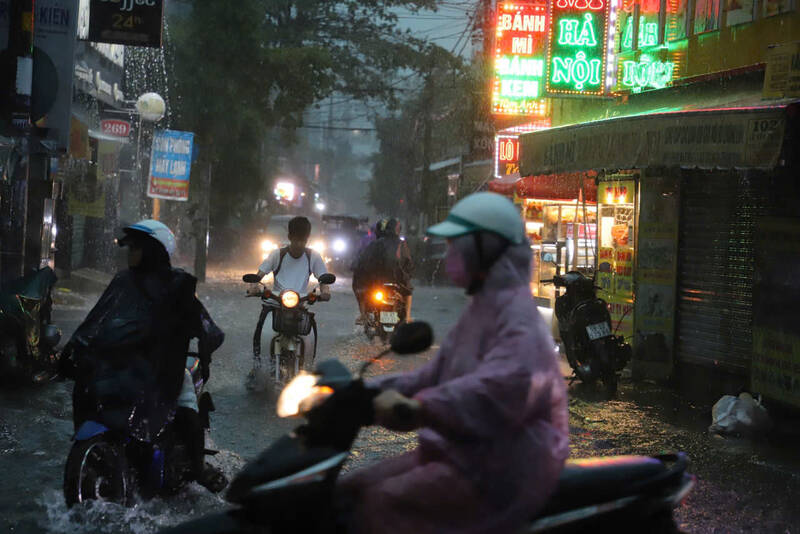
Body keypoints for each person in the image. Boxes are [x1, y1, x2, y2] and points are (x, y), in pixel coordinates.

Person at [337, 192, 569, 534]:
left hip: (501, 470)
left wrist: (418, 407)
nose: (448, 256)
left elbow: (500, 388)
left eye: (455, 247)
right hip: (462, 455)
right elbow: (433, 375)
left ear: (483, 250)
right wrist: (356, 393)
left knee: (378, 501)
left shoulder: (518, 317)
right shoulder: (481, 310)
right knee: (348, 491)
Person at [59, 220, 227, 493]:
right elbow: (97, 320)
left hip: (164, 370)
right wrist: (74, 352)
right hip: (123, 367)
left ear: (153, 250)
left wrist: (204, 350)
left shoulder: (178, 285)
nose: (131, 253)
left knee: (187, 410)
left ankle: (198, 469)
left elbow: (208, 329)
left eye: (137, 247)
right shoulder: (123, 281)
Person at [248, 216, 332, 380]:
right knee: (259, 332)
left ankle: (308, 367)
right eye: (297, 240)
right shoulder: (277, 255)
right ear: (289, 238)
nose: (300, 244)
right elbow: (259, 275)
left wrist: (324, 292)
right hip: (275, 304)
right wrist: (254, 287)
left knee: (312, 330)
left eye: (303, 240)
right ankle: (256, 368)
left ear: (307, 239)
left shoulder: (313, 256)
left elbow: (324, 279)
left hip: (300, 305)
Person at [352, 217, 414, 324]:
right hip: (397, 281)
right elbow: (409, 264)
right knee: (408, 290)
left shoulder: (376, 244)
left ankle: (363, 315)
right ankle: (408, 317)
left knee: (360, 288)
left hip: (378, 281)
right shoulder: (402, 244)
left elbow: (364, 261)